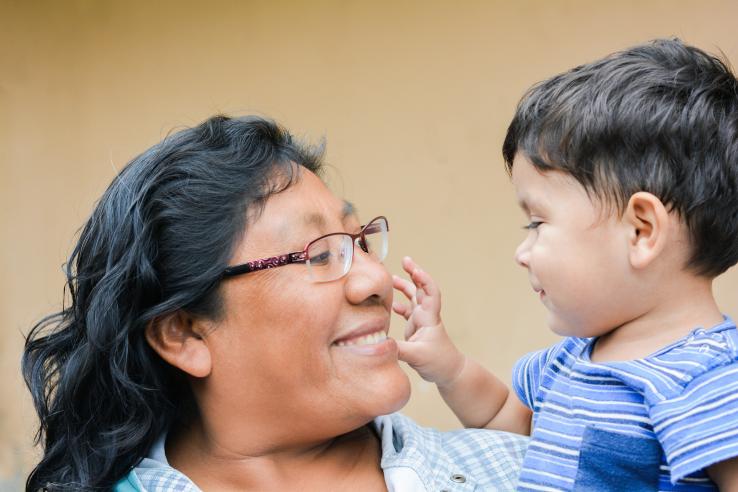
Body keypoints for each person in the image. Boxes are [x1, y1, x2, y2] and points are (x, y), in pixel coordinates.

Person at [22, 115, 527, 491]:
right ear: (186, 333)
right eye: (320, 254)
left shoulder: (518, 472)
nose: (376, 279)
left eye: (362, 241)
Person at [393, 39, 738, 491]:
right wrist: (449, 367)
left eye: (537, 222)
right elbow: (505, 420)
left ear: (641, 231)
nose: (523, 252)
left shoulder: (711, 380)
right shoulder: (568, 362)